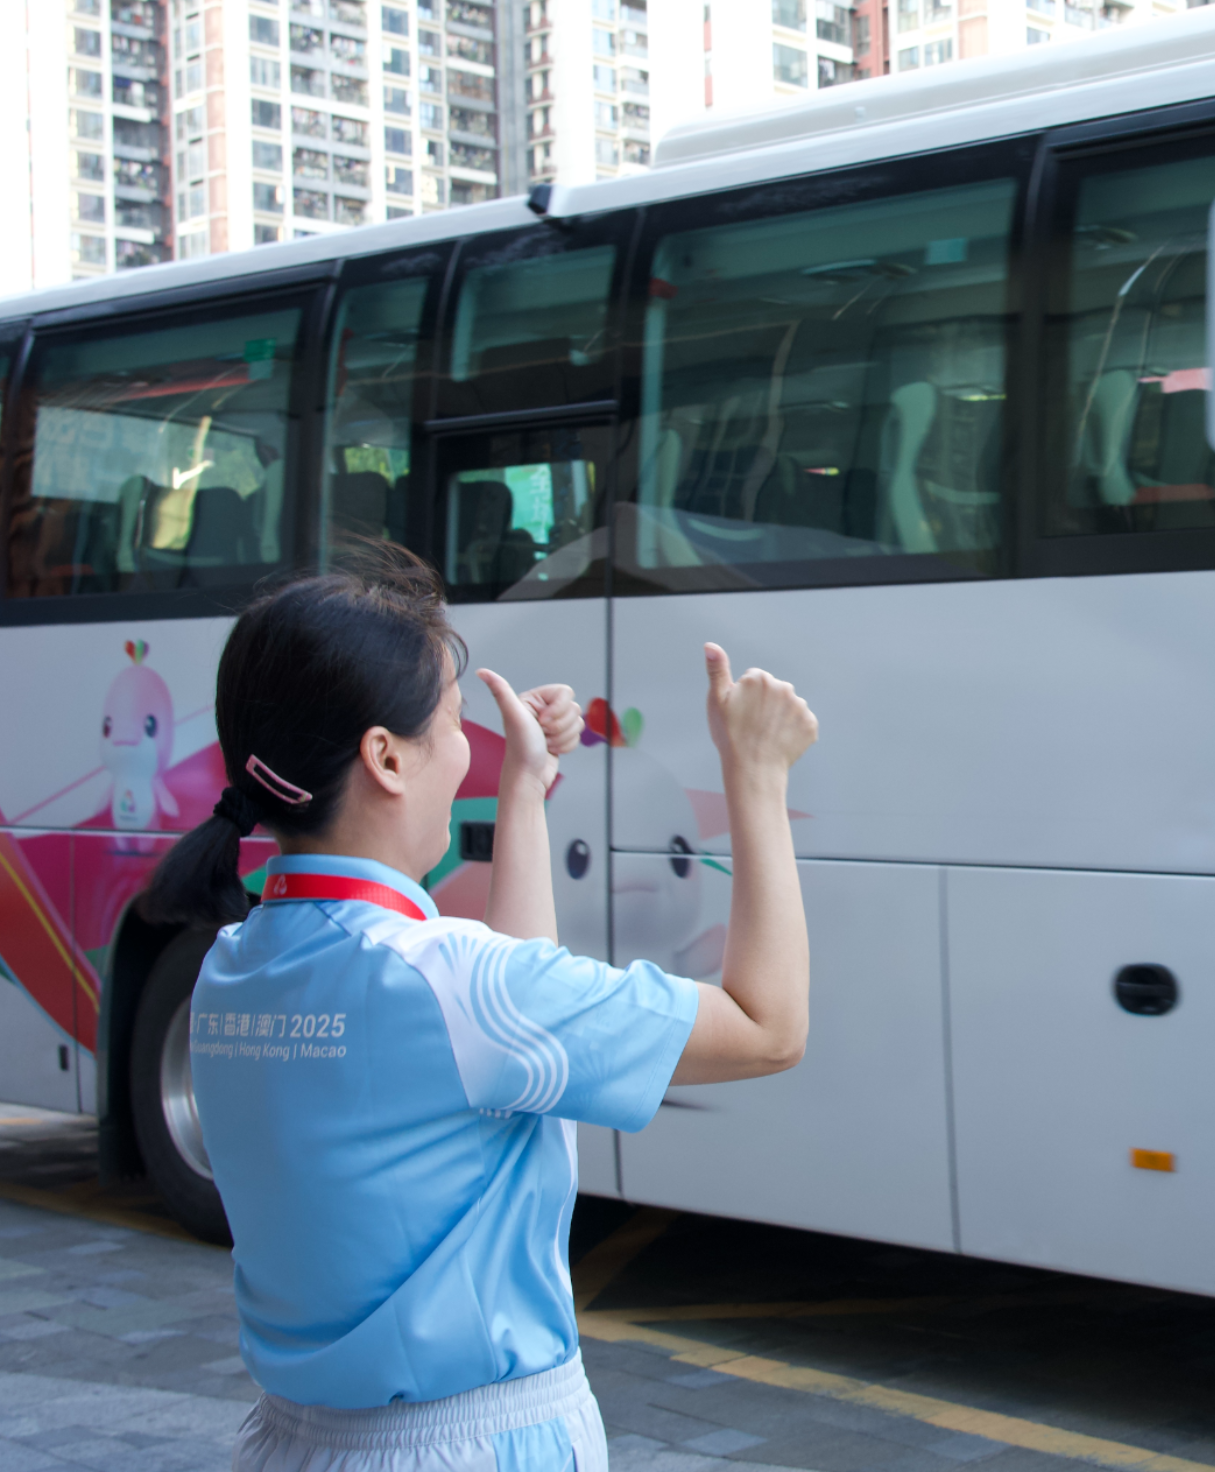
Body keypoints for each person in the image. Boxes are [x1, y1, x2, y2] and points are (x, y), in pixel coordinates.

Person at [138, 543, 819, 1472]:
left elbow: (503, 1014)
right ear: (385, 757)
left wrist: (524, 787)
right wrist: (757, 774)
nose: (466, 750)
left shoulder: (228, 972)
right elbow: (767, 1026)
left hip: (295, 1443)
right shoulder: (448, 983)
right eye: (455, 722)